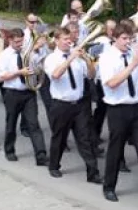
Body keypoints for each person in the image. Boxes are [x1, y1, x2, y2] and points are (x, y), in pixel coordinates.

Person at [98, 22, 138, 205]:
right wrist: (133, 65)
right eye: (124, 39)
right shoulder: (107, 57)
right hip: (118, 108)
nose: (128, 42)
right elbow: (112, 83)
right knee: (116, 149)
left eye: (130, 39)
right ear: (115, 39)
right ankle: (109, 187)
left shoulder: (136, 56)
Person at [43, 26, 103, 182]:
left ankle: (93, 173)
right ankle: (54, 165)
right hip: (61, 104)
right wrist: (70, 58)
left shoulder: (77, 57)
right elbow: (55, 75)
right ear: (56, 40)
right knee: (59, 138)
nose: (69, 43)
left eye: (70, 40)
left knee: (85, 138)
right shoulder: (51, 59)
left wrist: (87, 60)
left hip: (79, 105)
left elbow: (91, 75)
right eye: (65, 40)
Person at [0, 28, 49, 164]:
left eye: (21, 41)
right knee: (11, 123)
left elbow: (39, 66)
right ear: (10, 41)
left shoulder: (27, 52)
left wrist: (38, 51)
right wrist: (19, 72)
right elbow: (0, 77)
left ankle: (41, 155)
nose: (20, 44)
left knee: (34, 124)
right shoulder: (4, 56)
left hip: (28, 92)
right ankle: (9, 150)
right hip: (12, 93)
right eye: (17, 42)